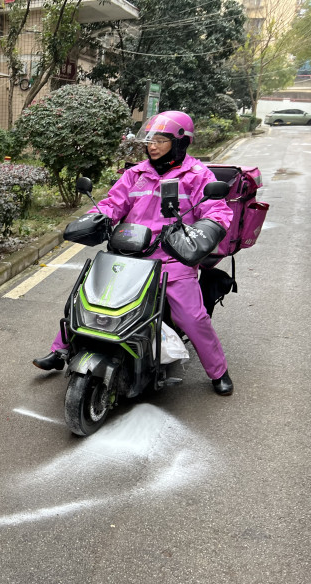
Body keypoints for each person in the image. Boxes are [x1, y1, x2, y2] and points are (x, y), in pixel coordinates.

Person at [32, 110, 235, 396]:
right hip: (130, 252)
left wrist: (207, 229)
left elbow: (216, 211)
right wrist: (96, 217)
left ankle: (218, 372)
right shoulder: (136, 173)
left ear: (180, 142)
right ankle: (61, 349)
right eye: (150, 140)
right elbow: (113, 203)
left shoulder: (197, 175)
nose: (152, 146)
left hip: (172, 257)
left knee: (192, 316)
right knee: (87, 297)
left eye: (161, 140)